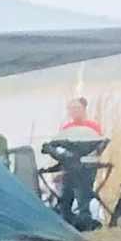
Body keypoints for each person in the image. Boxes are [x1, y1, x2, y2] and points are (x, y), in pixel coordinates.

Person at [42, 94, 112, 230]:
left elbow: (98, 148)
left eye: (77, 108)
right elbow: (62, 149)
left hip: (87, 167)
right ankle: (67, 220)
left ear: (84, 109)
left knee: (82, 191)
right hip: (70, 167)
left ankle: (85, 219)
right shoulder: (67, 128)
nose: (74, 111)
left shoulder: (93, 127)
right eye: (71, 109)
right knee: (66, 193)